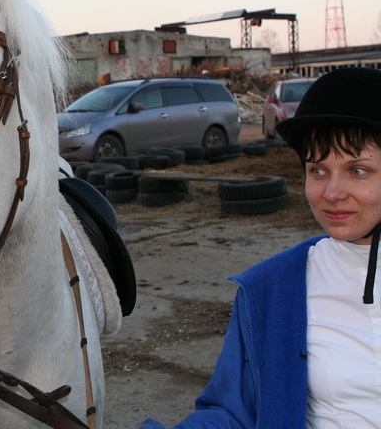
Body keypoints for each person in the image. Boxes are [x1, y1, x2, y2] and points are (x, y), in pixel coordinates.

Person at [139, 67, 381, 428]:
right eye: (317, 170)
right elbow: (232, 413)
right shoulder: (270, 291)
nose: (331, 193)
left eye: (357, 171)